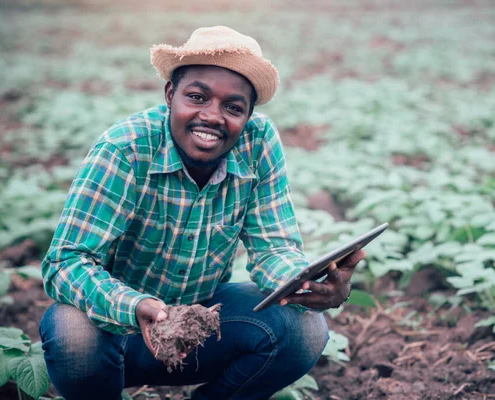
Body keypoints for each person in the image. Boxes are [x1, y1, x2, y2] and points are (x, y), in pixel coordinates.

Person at [39, 26, 366, 400]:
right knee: (71, 330)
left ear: (248, 115)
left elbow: (273, 249)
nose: (212, 117)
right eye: (197, 97)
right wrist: (135, 306)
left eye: (233, 107)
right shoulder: (126, 148)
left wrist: (305, 284)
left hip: (201, 330)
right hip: (115, 332)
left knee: (306, 330)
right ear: (169, 94)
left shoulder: (258, 143)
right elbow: (65, 262)